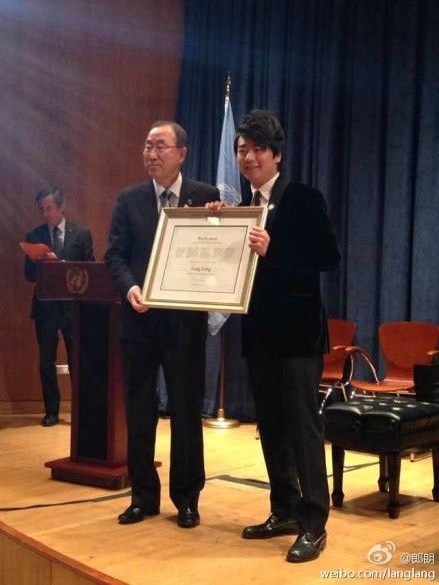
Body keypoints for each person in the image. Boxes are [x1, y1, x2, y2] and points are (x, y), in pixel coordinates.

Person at [208, 110, 340, 562]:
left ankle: (314, 524)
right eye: (241, 149)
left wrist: (275, 248)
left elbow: (329, 256)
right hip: (259, 335)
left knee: (304, 430)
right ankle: (283, 509)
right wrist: (217, 227)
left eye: (257, 149)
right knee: (272, 427)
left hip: (299, 338)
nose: (248, 157)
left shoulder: (304, 198)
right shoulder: (244, 206)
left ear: (277, 155)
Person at [105, 120, 219, 529]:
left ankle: (187, 499)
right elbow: (114, 255)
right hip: (139, 323)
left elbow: (217, 252)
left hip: (184, 326)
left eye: (160, 146)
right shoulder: (128, 199)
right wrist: (130, 288)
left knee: (186, 413)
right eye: (147, 146)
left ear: (181, 154)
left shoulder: (205, 197)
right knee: (139, 411)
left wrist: (220, 224)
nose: (151, 154)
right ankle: (143, 497)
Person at [24, 187, 94, 427]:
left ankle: (82, 410)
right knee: (46, 362)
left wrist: (62, 264)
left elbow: (90, 272)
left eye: (49, 208)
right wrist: (40, 262)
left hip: (73, 309)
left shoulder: (81, 234)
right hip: (44, 309)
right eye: (42, 209)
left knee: (78, 360)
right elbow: (28, 275)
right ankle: (51, 412)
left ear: (62, 207)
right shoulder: (34, 236)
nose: (46, 213)